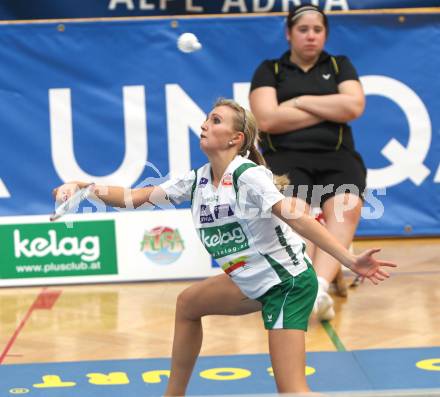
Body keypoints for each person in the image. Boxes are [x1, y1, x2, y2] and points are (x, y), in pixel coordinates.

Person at [53, 99, 395, 396]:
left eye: (215, 120)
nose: (204, 124)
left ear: (236, 138)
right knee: (188, 304)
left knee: (292, 391)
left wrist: (349, 258)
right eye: (206, 118)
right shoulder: (197, 179)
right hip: (248, 279)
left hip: (286, 284)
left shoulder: (249, 177)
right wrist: (81, 186)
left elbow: (299, 220)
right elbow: (133, 197)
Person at [249, 4, 367, 321]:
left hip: (336, 156)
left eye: (317, 30)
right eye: (303, 30)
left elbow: (353, 106)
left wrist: (298, 101)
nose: (311, 36)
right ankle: (305, 286)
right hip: (284, 157)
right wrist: (329, 107)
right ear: (289, 34)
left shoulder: (340, 65)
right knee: (294, 213)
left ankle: (321, 287)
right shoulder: (270, 70)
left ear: (325, 34)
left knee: (346, 206)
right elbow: (266, 118)